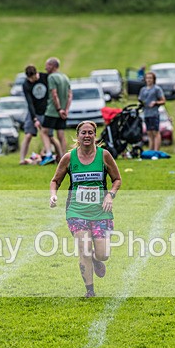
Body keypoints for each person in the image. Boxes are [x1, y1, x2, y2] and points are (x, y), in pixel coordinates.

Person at [49, 121, 122, 297]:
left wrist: (110, 195)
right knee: (84, 249)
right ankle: (90, 290)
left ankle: (97, 261)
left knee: (103, 254)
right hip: (76, 211)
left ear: (95, 136)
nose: (87, 136)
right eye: (83, 133)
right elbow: (55, 180)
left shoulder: (104, 156)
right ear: (78, 135)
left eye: (90, 133)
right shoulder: (68, 157)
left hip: (100, 211)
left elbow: (117, 179)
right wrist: (53, 195)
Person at [21, 64, 61, 165]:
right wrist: (34, 119)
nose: (31, 80)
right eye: (29, 78)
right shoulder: (26, 85)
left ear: (36, 74)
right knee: (28, 135)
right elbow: (29, 103)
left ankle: (60, 156)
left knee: (50, 136)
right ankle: (22, 159)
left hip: (47, 112)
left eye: (33, 78)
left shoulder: (45, 78)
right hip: (34, 112)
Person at [43, 57, 72, 162]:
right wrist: (66, 110)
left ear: (52, 66)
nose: (45, 68)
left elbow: (54, 94)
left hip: (53, 110)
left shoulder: (51, 77)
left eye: (47, 65)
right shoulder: (65, 77)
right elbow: (70, 95)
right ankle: (63, 157)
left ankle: (49, 154)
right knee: (61, 134)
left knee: (45, 132)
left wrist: (59, 109)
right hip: (64, 111)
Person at [139, 71, 167, 153]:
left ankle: (156, 150)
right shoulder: (143, 90)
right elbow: (140, 100)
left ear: (153, 79)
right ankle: (151, 150)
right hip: (146, 114)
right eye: (147, 78)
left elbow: (163, 101)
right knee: (149, 133)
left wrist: (155, 103)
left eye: (150, 78)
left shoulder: (157, 89)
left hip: (154, 114)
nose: (149, 80)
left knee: (155, 132)